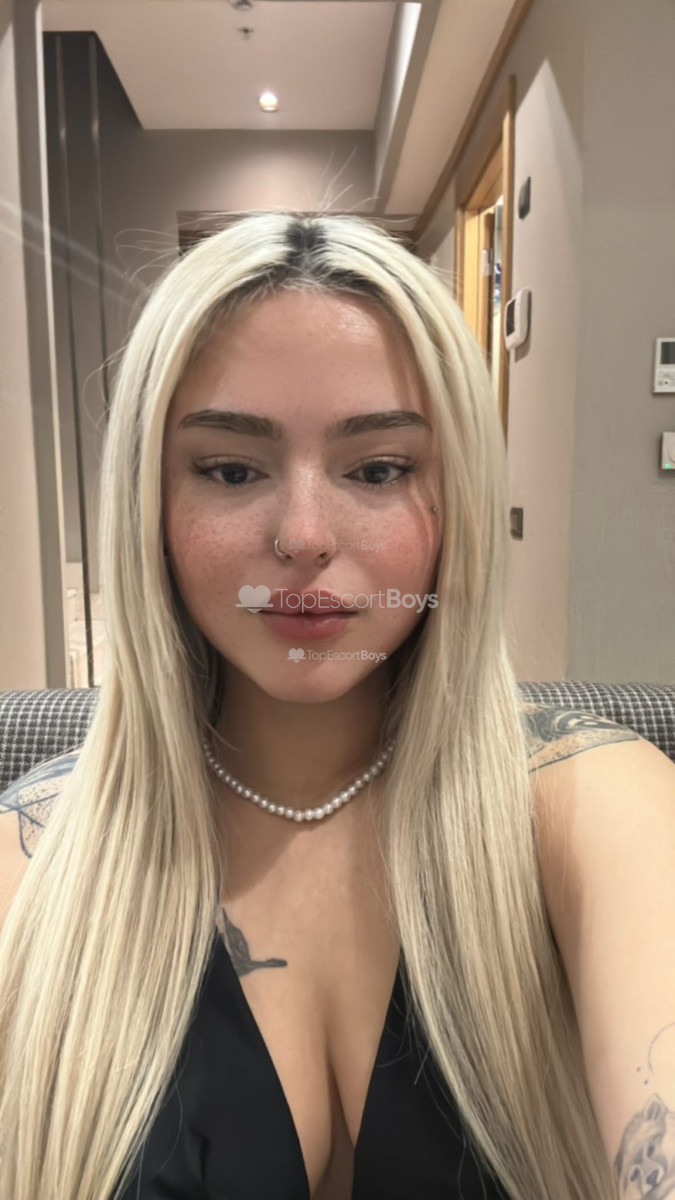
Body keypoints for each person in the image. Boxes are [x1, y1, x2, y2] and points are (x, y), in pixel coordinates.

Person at [0, 211, 654, 1199]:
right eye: (230, 469)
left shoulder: (595, 807)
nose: (303, 536)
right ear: (150, 506)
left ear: (459, 502)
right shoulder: (35, 865)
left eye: (379, 469)